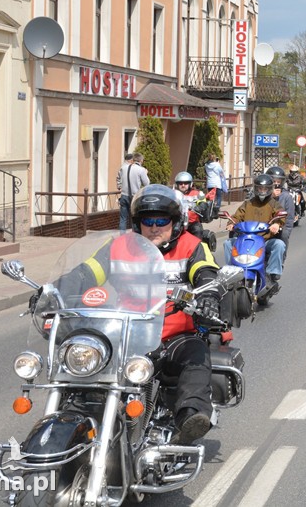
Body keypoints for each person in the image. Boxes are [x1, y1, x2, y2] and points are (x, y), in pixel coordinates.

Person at [64, 185, 223, 444]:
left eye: (163, 220)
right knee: (84, 361)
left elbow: (207, 273)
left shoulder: (192, 246)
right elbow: (86, 272)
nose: (155, 226)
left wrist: (207, 296)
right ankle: (78, 416)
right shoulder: (118, 246)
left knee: (196, 356)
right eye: (148, 220)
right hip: (125, 333)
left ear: (176, 221)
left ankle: (191, 416)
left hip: (174, 334)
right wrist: (55, 289)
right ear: (138, 223)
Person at [229, 174, 287, 282]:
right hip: (246, 240)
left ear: (270, 189)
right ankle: (231, 270)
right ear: (256, 188)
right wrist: (231, 223)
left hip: (264, 240)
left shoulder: (274, 204)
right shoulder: (248, 203)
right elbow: (237, 216)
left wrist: (277, 224)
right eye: (260, 188)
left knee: (279, 245)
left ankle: (272, 273)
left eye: (265, 189)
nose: (262, 191)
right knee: (228, 243)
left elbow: (281, 214)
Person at [117, 152, 149, 232]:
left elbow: (118, 178)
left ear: (133, 159)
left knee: (123, 219)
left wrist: (120, 186)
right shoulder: (141, 170)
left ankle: (122, 237)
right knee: (135, 218)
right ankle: (134, 237)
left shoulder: (123, 168)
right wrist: (146, 173)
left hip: (124, 196)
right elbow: (146, 183)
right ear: (141, 160)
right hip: (134, 197)